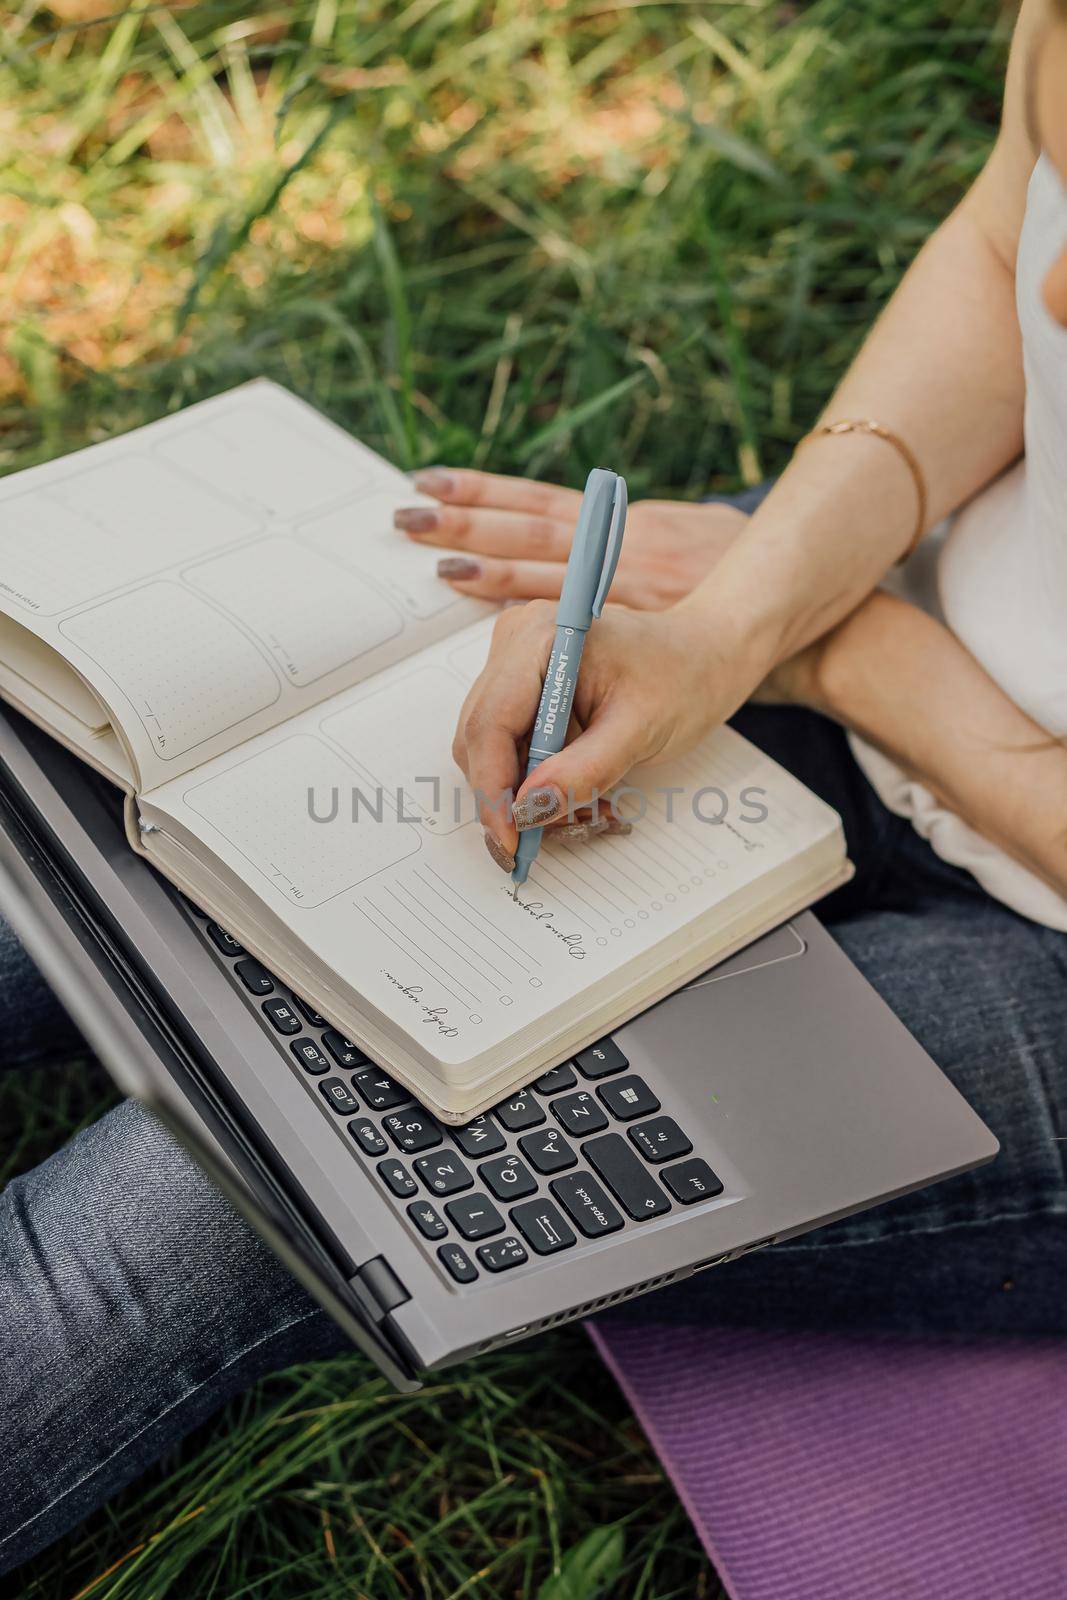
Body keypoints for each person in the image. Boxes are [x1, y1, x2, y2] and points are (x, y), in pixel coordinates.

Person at [0, 0, 1064, 1577]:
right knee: (136, 835)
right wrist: (743, 614)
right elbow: (1000, 254)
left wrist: (860, 661)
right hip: (895, 601)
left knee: (264, 1170)